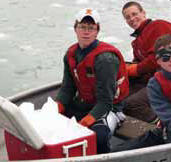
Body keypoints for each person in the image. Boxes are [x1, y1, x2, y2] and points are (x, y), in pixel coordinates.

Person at [55, 8, 129, 154]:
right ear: (75, 29)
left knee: (98, 137)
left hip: (110, 109)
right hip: (84, 104)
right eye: (82, 27)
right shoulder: (71, 54)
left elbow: (106, 101)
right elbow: (67, 88)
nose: (86, 31)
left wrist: (87, 120)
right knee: (50, 122)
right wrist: (57, 107)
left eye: (91, 28)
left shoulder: (105, 59)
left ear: (97, 32)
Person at [122, 1, 171, 123]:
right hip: (152, 79)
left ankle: (167, 123)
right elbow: (139, 62)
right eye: (127, 17)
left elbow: (158, 59)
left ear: (143, 13)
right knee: (120, 95)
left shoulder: (158, 26)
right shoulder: (137, 41)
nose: (132, 19)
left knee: (132, 104)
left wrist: (133, 69)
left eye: (134, 14)